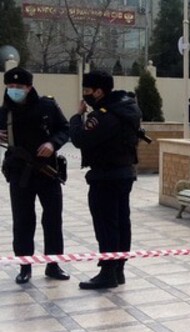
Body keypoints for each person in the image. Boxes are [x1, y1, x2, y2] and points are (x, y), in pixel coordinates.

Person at [69, 70, 141, 290]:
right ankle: (118, 270)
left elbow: (80, 139)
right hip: (123, 173)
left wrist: (76, 117)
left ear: (99, 91)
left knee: (106, 224)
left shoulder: (105, 115)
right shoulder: (126, 107)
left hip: (106, 176)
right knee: (121, 222)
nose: (85, 95)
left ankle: (108, 272)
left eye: (87, 91)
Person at [0, 67, 70, 284]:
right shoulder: (4, 111)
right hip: (19, 173)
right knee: (22, 221)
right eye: (10, 87)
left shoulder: (47, 106)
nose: (14, 90)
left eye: (19, 87)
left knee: (52, 219)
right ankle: (25, 266)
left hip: (46, 171)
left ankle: (53, 264)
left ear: (29, 87)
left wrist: (52, 143)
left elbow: (65, 129)